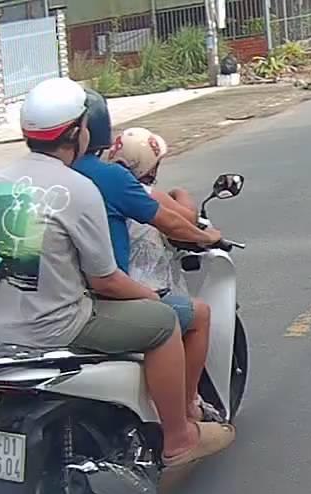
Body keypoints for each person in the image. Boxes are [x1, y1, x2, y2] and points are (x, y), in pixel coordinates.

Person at [0, 77, 233, 468]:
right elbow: (106, 280)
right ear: (77, 133)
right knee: (163, 322)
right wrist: (150, 297)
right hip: (59, 326)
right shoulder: (77, 187)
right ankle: (179, 437)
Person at [73, 90, 220, 422]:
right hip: (107, 297)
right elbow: (174, 222)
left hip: (50, 301)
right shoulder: (112, 179)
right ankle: (183, 418)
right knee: (191, 316)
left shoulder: (36, 180)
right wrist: (206, 235)